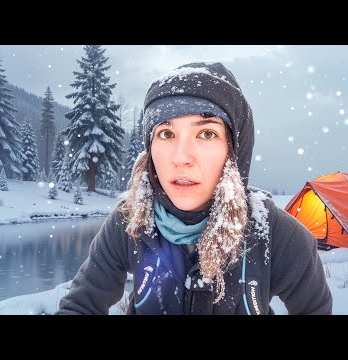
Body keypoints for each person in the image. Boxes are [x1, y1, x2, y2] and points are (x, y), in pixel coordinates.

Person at [55, 61, 332, 315]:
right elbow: (79, 306)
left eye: (207, 133)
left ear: (234, 150)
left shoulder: (274, 234)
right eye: (166, 133)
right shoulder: (129, 223)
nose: (181, 157)